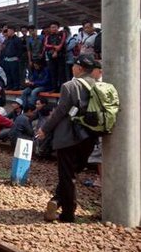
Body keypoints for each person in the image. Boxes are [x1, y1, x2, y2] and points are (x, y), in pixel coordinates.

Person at [37, 54, 99, 223]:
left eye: (74, 65)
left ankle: (68, 214)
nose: (72, 67)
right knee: (73, 172)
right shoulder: (99, 86)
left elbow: (60, 112)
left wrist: (44, 129)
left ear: (79, 68)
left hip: (69, 137)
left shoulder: (69, 86)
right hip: (89, 137)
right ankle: (57, 200)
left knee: (67, 176)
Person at [44, 21, 66, 92]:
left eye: (54, 27)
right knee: (53, 73)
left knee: (61, 73)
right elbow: (46, 45)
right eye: (51, 27)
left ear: (58, 27)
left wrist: (56, 51)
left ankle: (62, 89)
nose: (53, 29)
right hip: (51, 57)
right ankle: (54, 88)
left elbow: (61, 45)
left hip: (61, 56)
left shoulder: (62, 34)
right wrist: (54, 47)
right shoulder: (48, 36)